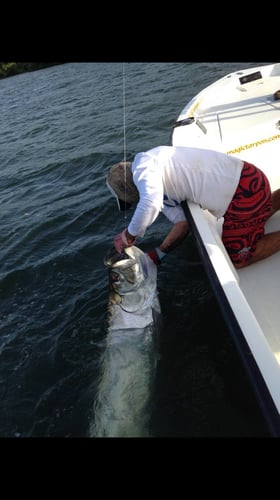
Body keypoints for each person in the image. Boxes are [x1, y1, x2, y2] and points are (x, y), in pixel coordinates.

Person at [106, 145, 280, 269]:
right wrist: (158, 254)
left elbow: (149, 202)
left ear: (128, 188)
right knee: (259, 211)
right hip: (251, 179)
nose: (134, 202)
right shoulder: (157, 176)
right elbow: (182, 222)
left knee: (237, 259)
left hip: (244, 194)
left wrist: (128, 235)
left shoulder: (143, 168)